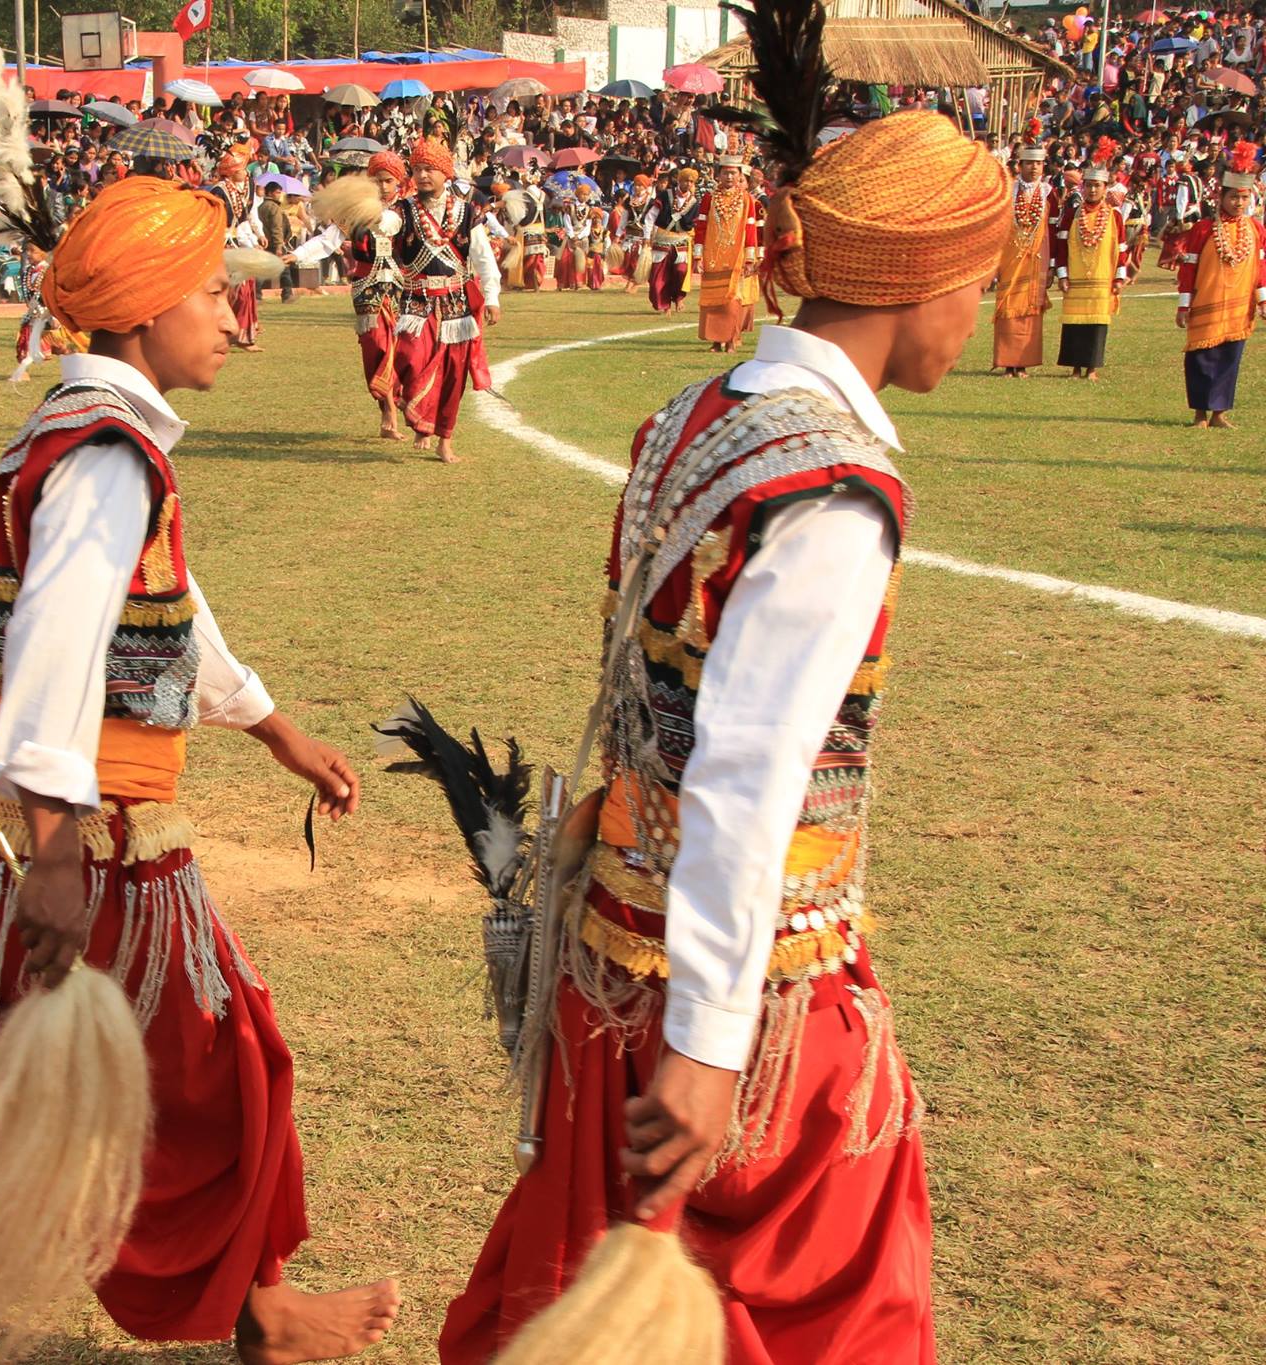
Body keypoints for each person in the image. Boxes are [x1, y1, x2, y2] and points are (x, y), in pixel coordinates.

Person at [440, 107, 1010, 1365]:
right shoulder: (831, 491)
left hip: (616, 945)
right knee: (821, 1308)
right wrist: (707, 1043)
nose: (980, 315)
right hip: (745, 997)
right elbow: (749, 774)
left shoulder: (696, 412)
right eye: (975, 283)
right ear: (914, 283)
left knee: (588, 1291)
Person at [0, 174, 400, 1365]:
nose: (233, 318)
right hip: (83, 849)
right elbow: (57, 646)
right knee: (216, 1071)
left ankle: (250, 1308)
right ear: (140, 314)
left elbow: (161, 610)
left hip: (16, 838)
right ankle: (257, 1315)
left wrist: (272, 726)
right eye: (209, 293)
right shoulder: (106, 455)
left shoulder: (64, 432)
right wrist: (55, 852)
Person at [389, 139, 500, 463]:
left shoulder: (467, 212)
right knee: (410, 356)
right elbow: (387, 226)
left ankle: (444, 439)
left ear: (445, 173)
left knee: (454, 374)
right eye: (418, 169)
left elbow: (482, 257)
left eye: (430, 169)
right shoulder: (403, 210)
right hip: (417, 302)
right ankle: (419, 417)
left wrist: (492, 298)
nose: (422, 175)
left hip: (456, 305)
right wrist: (369, 214)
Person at [289, 149, 410, 441]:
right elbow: (329, 240)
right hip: (366, 285)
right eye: (377, 180)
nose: (382, 187)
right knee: (375, 344)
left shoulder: (408, 210)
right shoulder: (355, 209)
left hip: (401, 285)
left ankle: (394, 405)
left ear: (398, 183)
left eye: (388, 181)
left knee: (401, 346)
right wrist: (298, 254)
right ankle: (387, 403)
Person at [1173, 154, 1263, 428]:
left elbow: (1261, 266)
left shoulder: (1256, 229)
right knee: (1201, 359)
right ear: (1221, 197)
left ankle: (1219, 414)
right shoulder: (1204, 229)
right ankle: (1200, 414)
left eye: (1244, 198)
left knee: (1229, 358)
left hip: (1239, 308)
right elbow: (1188, 269)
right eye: (1234, 197)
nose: (1239, 203)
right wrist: (1184, 305)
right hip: (1205, 304)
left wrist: (1263, 300)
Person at [1053, 163, 1126, 379]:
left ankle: (1092, 368)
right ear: (1082, 187)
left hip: (1102, 278)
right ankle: (1075, 367)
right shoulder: (1071, 214)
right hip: (1076, 277)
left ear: (1105, 188)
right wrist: (1063, 274)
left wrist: (1119, 277)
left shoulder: (1114, 216)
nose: (1092, 190)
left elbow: (1121, 248)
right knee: (1074, 325)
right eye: (1089, 186)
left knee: (1096, 326)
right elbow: (1061, 246)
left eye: (1097, 186)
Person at [692, 154, 762, 353]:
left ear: (739, 175)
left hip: (736, 256)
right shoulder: (708, 198)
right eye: (725, 173)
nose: (729, 177)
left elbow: (750, 230)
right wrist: (698, 256)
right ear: (718, 175)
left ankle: (731, 340)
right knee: (712, 300)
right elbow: (701, 228)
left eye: (733, 173)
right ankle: (715, 341)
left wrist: (750, 258)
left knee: (733, 300)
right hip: (713, 256)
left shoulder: (747, 200)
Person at [993, 146, 1053, 378]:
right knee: (1007, 309)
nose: (1034, 167)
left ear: (1043, 166)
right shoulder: (1008, 191)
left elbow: (1054, 229)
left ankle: (1023, 363)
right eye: (1029, 163)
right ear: (1020, 165)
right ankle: (1008, 363)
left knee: (1029, 313)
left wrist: (1052, 267)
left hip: (1035, 261)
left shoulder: (1049, 193)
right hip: (1010, 260)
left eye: (1038, 163)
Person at [212, 152, 264, 350]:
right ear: (232, 172)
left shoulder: (247, 187)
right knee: (234, 290)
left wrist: (257, 235)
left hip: (239, 241)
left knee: (246, 287)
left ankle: (243, 335)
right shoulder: (219, 191)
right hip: (222, 243)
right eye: (242, 168)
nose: (245, 171)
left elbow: (248, 216)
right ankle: (225, 332)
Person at [645, 166, 702, 313]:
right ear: (679, 180)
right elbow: (651, 216)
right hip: (662, 240)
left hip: (681, 242)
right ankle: (664, 304)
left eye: (691, 181)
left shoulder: (695, 202)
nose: (688, 183)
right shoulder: (665, 195)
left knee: (680, 271)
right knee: (658, 278)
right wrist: (646, 237)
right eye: (685, 180)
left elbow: (695, 224)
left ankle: (678, 298)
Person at [8, 238, 53, 384]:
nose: (28, 254)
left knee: (62, 344)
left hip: (48, 312)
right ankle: (23, 371)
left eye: (33, 251)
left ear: (43, 253)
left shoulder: (48, 270)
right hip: (33, 314)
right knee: (24, 340)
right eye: (27, 250)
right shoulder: (28, 271)